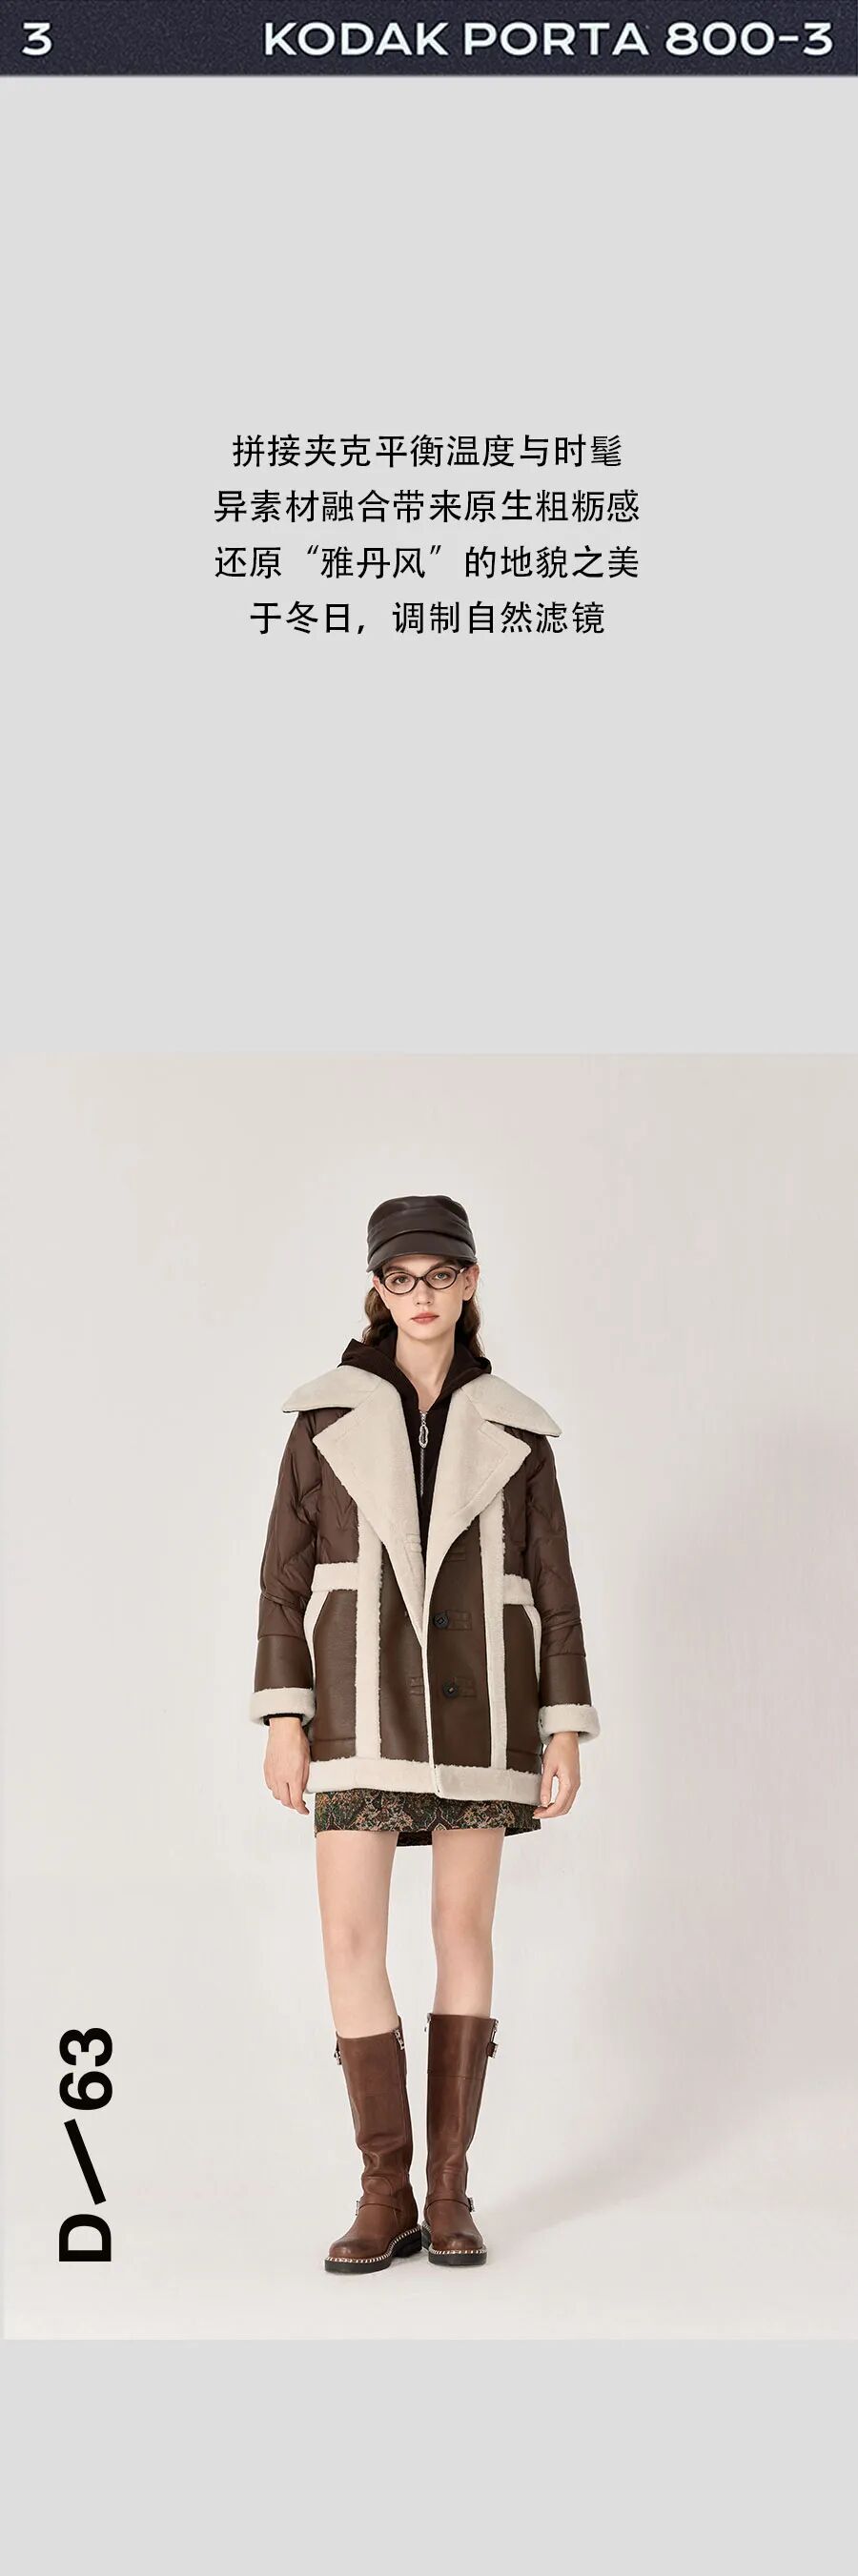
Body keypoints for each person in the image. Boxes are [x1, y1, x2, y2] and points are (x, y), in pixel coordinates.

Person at [249, 1192, 599, 2273]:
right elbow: (280, 1583)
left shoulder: (518, 1430)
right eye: (401, 1279)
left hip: (484, 1707)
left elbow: (554, 1588)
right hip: (357, 1707)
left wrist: (563, 1726)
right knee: (349, 1937)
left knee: (462, 1931)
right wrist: (285, 1716)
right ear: (377, 1289)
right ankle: (384, 2188)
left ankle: (449, 2194)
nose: (422, 1296)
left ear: (471, 1281)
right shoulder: (323, 1420)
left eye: (441, 1275)